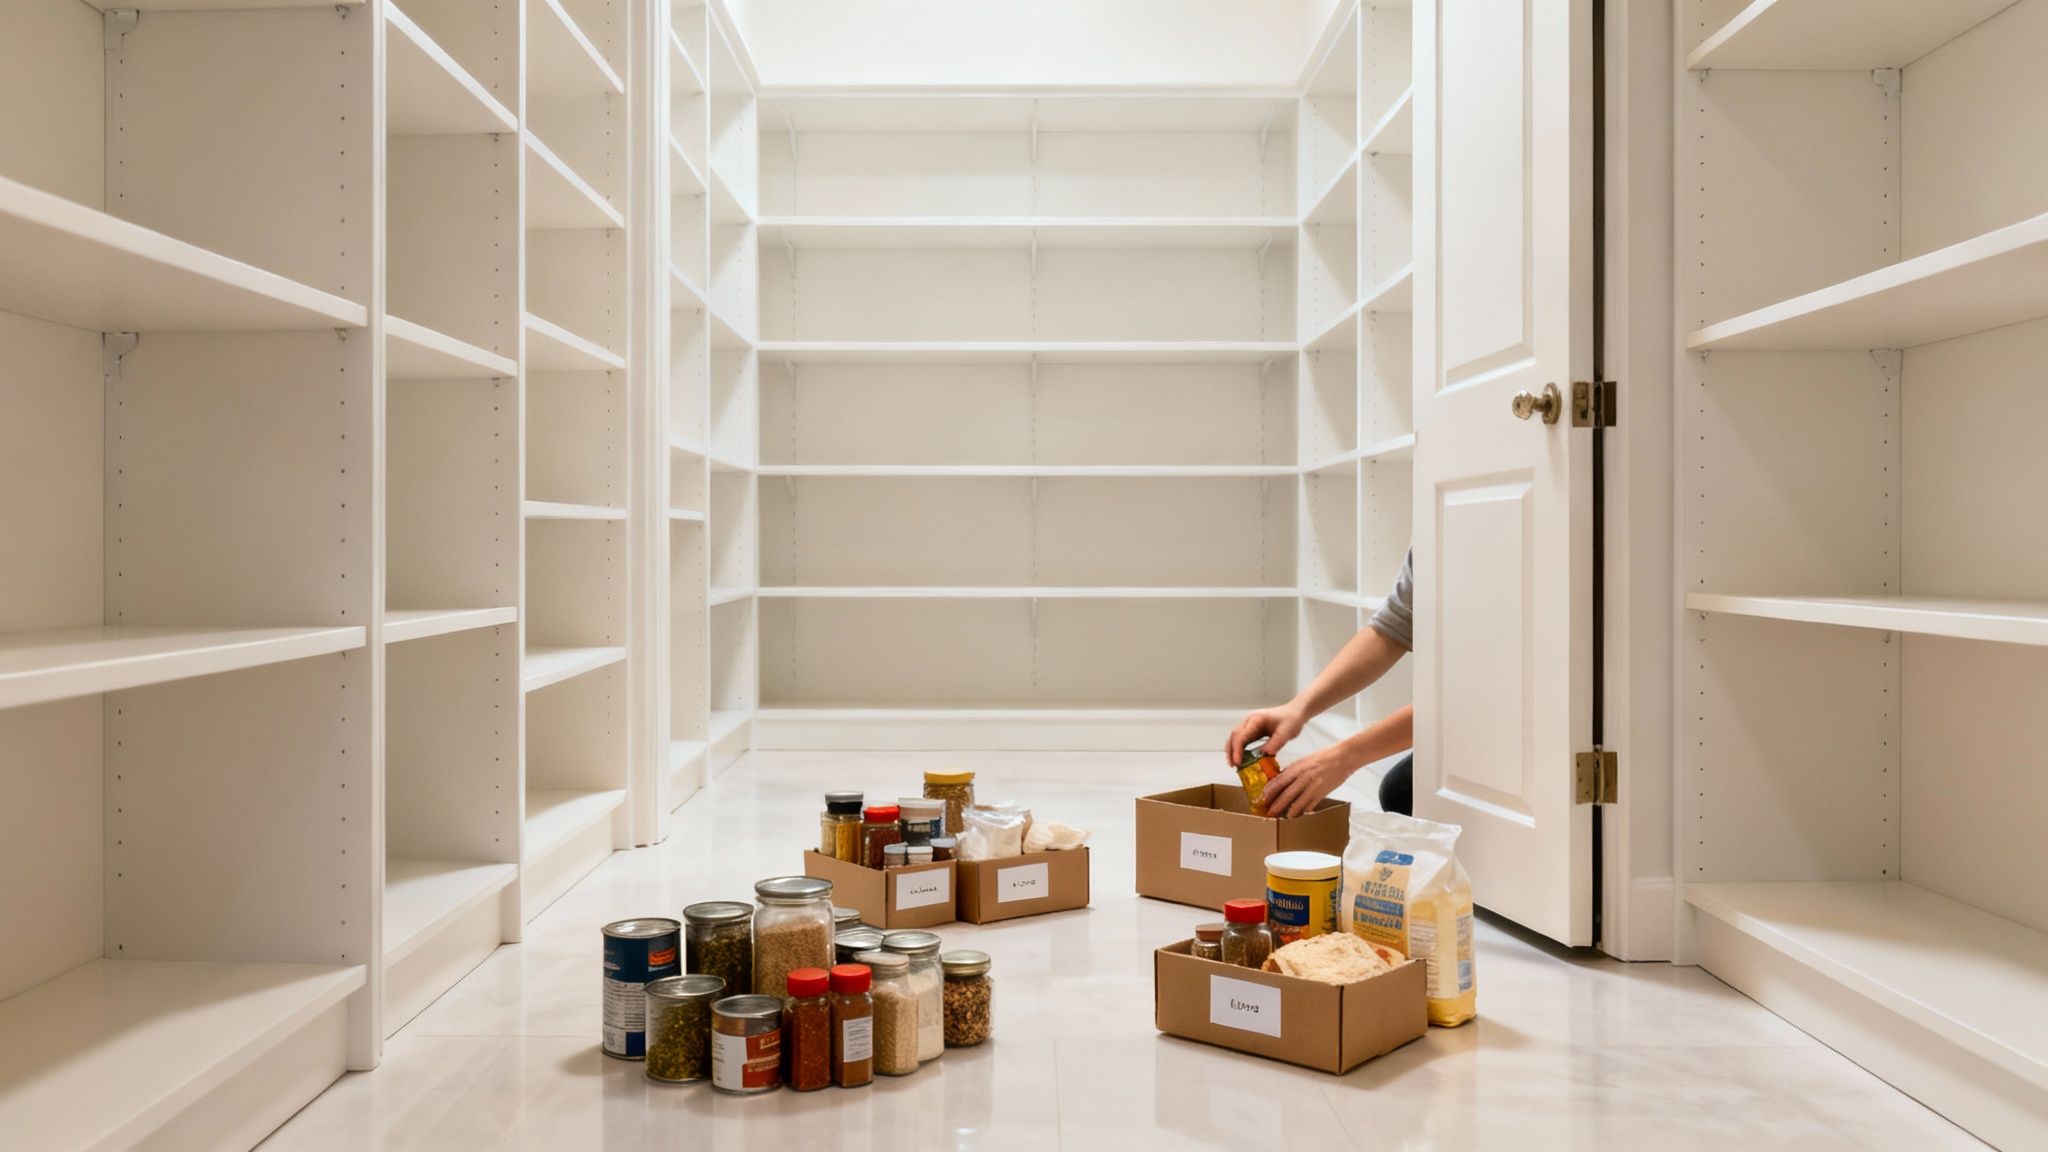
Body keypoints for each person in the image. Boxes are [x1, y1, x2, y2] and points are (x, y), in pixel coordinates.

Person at [1227, 550, 1415, 818]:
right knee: (1401, 793)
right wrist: (1299, 708)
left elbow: (1478, 701)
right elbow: (1394, 625)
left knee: (1405, 795)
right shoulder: (1430, 527)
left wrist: (1345, 757)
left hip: (1493, 724)